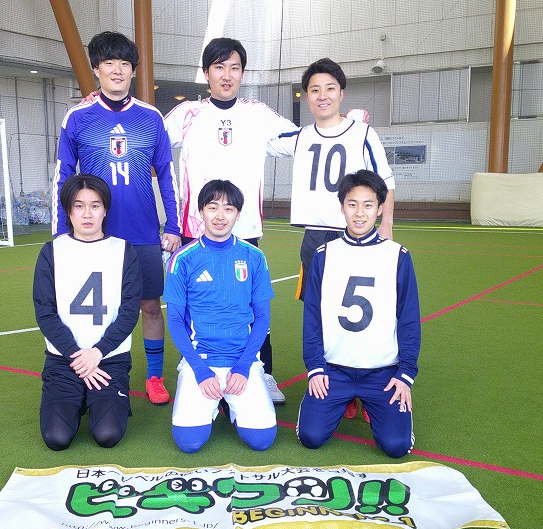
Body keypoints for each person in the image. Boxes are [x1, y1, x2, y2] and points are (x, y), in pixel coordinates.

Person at [163, 37, 298, 405]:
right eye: (219, 67)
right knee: (197, 307)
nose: (227, 75)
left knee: (250, 307)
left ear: (242, 73)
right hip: (196, 232)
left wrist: (339, 125)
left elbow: (297, 140)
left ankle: (261, 373)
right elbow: (151, 140)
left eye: (234, 68)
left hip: (245, 231)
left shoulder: (258, 114)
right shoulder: (187, 114)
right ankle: (196, 370)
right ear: (206, 73)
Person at [51, 31, 180, 405]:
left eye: (125, 64)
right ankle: (92, 374)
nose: (118, 70)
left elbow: (167, 175)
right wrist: (61, 231)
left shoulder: (151, 118)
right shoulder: (78, 117)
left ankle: (154, 377)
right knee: (98, 311)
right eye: (109, 63)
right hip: (93, 237)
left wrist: (173, 225)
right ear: (96, 69)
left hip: (143, 233)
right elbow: (63, 175)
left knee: (150, 306)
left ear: (133, 71)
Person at [269, 58, 396, 421]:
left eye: (329, 88)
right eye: (314, 90)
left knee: (365, 312)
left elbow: (386, 182)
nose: (322, 95)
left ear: (341, 93)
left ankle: (369, 388)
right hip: (316, 239)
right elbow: (260, 141)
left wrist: (386, 225)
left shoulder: (363, 134)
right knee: (321, 315)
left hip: (357, 237)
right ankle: (336, 384)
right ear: (306, 97)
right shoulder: (299, 138)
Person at [297, 170, 420, 458]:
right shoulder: (324, 254)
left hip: (382, 372)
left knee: (396, 446)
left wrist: (405, 373)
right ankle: (343, 401)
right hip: (334, 370)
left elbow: (409, 319)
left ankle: (373, 404)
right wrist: (315, 367)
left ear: (380, 208)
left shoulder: (398, 256)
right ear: (342, 207)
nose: (360, 213)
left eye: (368, 205)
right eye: (352, 204)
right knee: (311, 437)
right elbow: (312, 316)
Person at [163, 180, 277, 453]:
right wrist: (201, 371)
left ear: (238, 214)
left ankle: (229, 401)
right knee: (189, 442)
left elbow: (262, 317)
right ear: (201, 211)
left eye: (228, 208)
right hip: (201, 362)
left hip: (242, 362)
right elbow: (175, 321)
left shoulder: (254, 256)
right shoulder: (182, 258)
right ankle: (215, 400)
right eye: (212, 207)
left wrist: (244, 366)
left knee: (261, 440)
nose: (220, 215)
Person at [34, 174, 142, 450]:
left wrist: (98, 352)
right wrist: (77, 356)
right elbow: (45, 312)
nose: (87, 214)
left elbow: (129, 311)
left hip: (109, 359)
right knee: (57, 438)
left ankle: (98, 398)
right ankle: (77, 397)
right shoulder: (51, 252)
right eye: (79, 206)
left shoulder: (124, 251)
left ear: (105, 210)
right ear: (68, 211)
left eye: (95, 206)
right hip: (64, 360)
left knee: (107, 435)